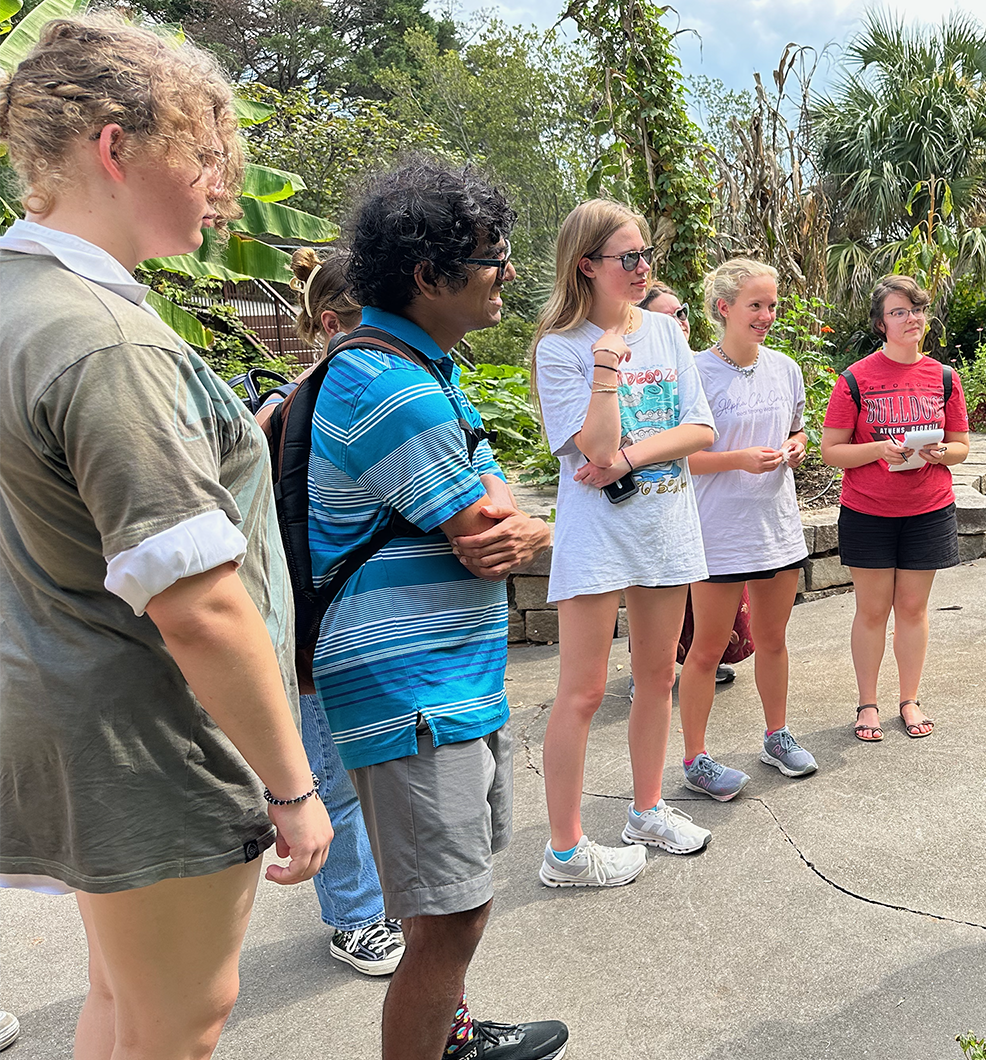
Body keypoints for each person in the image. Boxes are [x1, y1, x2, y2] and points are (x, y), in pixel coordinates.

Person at [0, 15, 333, 1060]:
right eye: (203, 157)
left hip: (66, 707)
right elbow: (197, 604)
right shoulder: (103, 343)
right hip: (150, 740)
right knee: (181, 1020)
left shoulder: (21, 301)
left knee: (124, 1000)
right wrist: (292, 782)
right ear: (115, 147)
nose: (220, 189)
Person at [308, 156, 566, 1060]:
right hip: (408, 688)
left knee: (450, 905)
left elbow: (498, 510)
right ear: (430, 275)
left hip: (445, 676)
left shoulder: (427, 370)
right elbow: (487, 524)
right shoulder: (388, 384)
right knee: (451, 916)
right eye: (492, 258)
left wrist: (516, 525)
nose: (505, 276)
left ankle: (450, 1037)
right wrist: (528, 528)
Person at [533, 199, 717, 886]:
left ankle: (647, 810)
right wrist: (606, 369)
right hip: (598, 537)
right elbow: (594, 445)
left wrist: (633, 459)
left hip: (665, 527)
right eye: (627, 258)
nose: (642, 268)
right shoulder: (561, 349)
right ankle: (565, 850)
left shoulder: (666, 333)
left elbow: (700, 430)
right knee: (580, 694)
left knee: (657, 678)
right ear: (586, 265)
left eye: (646, 256)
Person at [248, 247, 402, 977]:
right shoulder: (285, 412)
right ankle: (355, 916)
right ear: (336, 323)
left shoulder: (382, 400)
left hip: (373, 627)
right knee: (330, 781)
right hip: (313, 634)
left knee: (375, 773)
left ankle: (378, 899)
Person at [677, 258, 817, 800]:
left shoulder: (785, 368)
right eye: (755, 305)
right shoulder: (693, 372)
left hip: (776, 527)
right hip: (717, 532)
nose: (766, 315)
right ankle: (696, 759)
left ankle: (776, 736)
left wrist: (797, 447)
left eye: (772, 305)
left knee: (774, 640)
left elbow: (798, 430)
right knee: (707, 649)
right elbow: (676, 460)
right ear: (723, 308)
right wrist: (736, 459)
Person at [821, 275, 971, 742]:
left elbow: (962, 444)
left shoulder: (945, 377)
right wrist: (877, 450)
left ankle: (909, 698)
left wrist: (944, 453)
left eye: (916, 310)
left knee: (912, 608)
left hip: (928, 507)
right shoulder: (855, 379)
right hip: (868, 509)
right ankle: (868, 702)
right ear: (881, 324)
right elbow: (831, 450)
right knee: (871, 610)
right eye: (898, 312)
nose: (911, 318)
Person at [638, 279, 738, 689]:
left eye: (682, 313)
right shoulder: (642, 370)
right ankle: (646, 670)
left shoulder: (698, 363)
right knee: (653, 589)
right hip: (659, 492)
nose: (680, 321)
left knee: (696, 595)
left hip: (704, 499)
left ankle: (698, 661)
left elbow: (707, 430)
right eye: (668, 316)